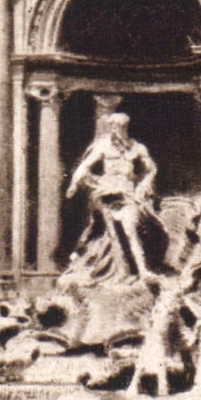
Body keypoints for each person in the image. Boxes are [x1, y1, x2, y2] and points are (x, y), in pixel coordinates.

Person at [65, 112, 158, 281]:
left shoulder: (137, 147)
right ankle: (115, 267)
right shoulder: (103, 146)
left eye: (118, 125)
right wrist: (74, 184)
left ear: (125, 126)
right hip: (107, 193)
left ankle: (143, 270)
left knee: (130, 228)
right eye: (113, 125)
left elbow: (152, 169)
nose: (115, 129)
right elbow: (85, 166)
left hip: (128, 193)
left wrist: (144, 184)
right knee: (109, 228)